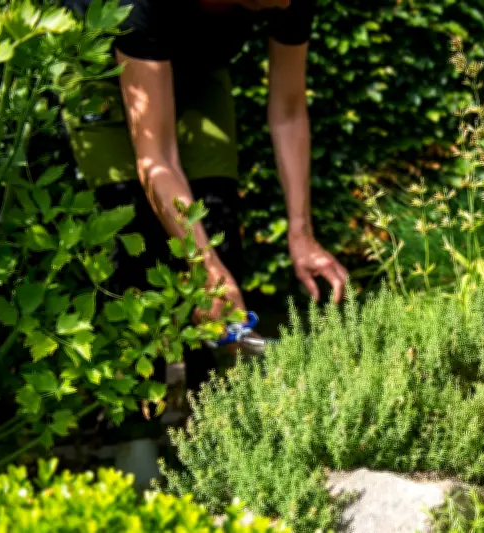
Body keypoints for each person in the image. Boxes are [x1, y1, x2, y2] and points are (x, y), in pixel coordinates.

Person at [61, 0, 348, 390]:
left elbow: (289, 111)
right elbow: (157, 159)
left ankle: (210, 420)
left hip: (196, 67)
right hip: (103, 66)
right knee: (132, 248)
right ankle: (134, 438)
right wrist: (204, 266)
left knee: (217, 228)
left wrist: (302, 232)